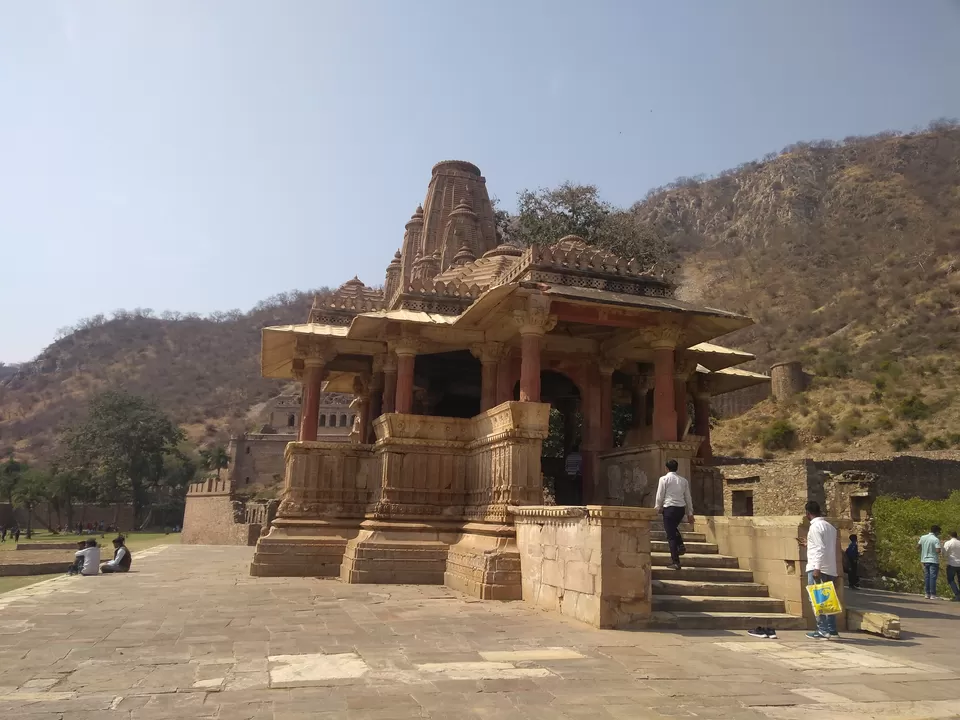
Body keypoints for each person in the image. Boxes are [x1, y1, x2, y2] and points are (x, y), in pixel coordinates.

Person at [799, 500, 839, 640]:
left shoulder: (815, 527)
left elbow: (821, 548)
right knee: (829, 600)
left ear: (808, 513)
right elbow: (824, 546)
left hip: (818, 568)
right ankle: (832, 630)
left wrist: (817, 568)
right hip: (830, 568)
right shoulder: (830, 527)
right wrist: (808, 544)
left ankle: (822, 630)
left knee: (817, 599)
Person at [654, 459, 693, 571]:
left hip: (669, 508)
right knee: (673, 529)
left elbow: (660, 494)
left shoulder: (664, 479)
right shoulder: (683, 481)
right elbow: (688, 497)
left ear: (666, 468)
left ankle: (675, 561)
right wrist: (690, 512)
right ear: (677, 468)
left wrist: (657, 508)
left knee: (670, 536)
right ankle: (680, 545)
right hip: (680, 509)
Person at [919, 525, 943, 599]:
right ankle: (933, 594)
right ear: (936, 531)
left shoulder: (923, 537)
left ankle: (927, 593)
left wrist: (924, 550)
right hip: (933, 560)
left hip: (925, 559)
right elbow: (938, 550)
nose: (939, 533)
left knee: (927, 577)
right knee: (932, 577)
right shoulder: (936, 539)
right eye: (939, 532)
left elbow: (918, 546)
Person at [943, 531, 960, 602]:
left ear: (950, 535)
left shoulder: (948, 543)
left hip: (952, 563)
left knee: (951, 579)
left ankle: (957, 594)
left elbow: (944, 553)